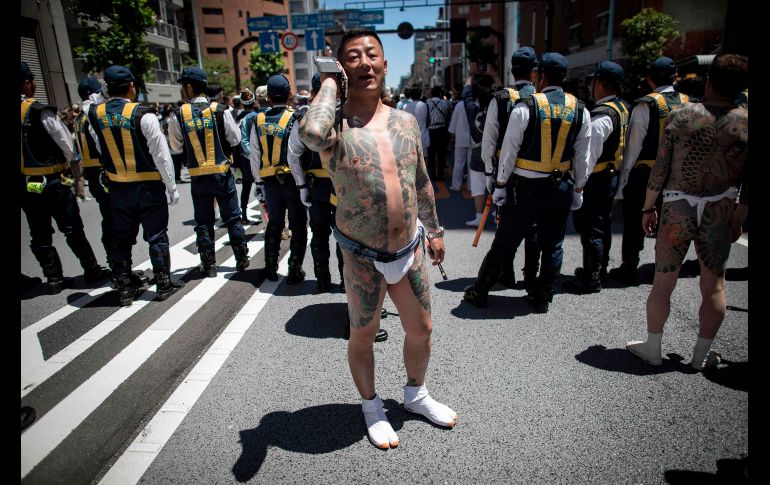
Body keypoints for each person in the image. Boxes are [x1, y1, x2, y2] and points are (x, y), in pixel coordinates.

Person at [299, 28, 456, 450]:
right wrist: (330, 84)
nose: (365, 62)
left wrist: (435, 230)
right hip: (361, 256)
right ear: (342, 68)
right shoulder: (333, 125)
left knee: (421, 329)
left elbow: (420, 180)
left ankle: (415, 394)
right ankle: (371, 406)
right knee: (363, 334)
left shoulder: (406, 121)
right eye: (353, 57)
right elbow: (311, 135)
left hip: (409, 248)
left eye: (372, 54)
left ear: (385, 64)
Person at [626, 54, 748, 371]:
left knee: (663, 282)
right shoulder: (745, 122)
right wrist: (739, 217)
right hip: (720, 207)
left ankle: (653, 348)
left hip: (678, 206)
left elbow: (661, 169)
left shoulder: (682, 116)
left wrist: (648, 207)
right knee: (714, 286)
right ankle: (700, 356)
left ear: (709, 81)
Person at [464, 53, 591, 312]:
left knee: (505, 241)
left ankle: (481, 290)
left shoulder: (526, 107)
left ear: (541, 75)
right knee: (553, 244)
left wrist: (499, 184)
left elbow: (509, 152)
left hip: (525, 188)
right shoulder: (580, 110)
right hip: (561, 186)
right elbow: (583, 156)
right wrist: (579, 188)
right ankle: (542, 296)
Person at [87, 65, 184, 305]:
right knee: (156, 236)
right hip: (148, 186)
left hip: (118, 187)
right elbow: (161, 155)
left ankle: (125, 288)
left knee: (121, 238)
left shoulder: (95, 114)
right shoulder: (144, 114)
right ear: (131, 86)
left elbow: (99, 146)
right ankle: (163, 284)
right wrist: (171, 187)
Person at [20, 62, 110, 294]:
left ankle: (54, 278)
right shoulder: (39, 111)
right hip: (51, 180)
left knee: (39, 233)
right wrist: (67, 165)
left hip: (25, 185)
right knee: (72, 228)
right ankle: (91, 269)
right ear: (27, 83)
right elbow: (67, 144)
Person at [611, 57, 690, 285]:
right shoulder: (690, 103)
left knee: (636, 220)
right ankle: (663, 267)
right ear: (676, 78)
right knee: (671, 221)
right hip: (680, 173)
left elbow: (633, 146)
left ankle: (629, 266)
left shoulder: (646, 105)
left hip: (646, 173)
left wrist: (623, 181)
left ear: (649, 79)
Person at [167, 66, 249, 277]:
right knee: (233, 218)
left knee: (204, 222)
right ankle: (241, 259)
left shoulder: (179, 114)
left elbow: (175, 147)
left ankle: (208, 264)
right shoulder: (220, 110)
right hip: (222, 174)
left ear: (188, 87)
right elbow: (235, 139)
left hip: (198, 177)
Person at [74, 76, 149, 290]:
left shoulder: (80, 118)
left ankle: (120, 270)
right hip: (105, 173)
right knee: (117, 226)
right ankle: (120, 273)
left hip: (93, 174)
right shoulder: (95, 115)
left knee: (111, 222)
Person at [563, 61, 630, 294]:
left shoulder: (602, 116)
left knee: (591, 228)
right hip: (610, 175)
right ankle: (598, 269)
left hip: (596, 178)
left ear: (598, 83)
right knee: (602, 224)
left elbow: (587, 157)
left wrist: (578, 186)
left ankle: (592, 277)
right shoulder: (621, 107)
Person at [481, 46, 541, 291]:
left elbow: (489, 139)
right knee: (534, 226)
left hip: (504, 172)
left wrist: (489, 172)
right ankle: (531, 275)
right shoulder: (542, 98)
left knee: (505, 224)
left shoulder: (501, 98)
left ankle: (507, 272)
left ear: (511, 70)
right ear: (534, 72)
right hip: (538, 172)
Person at [249, 74, 308, 283]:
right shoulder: (296, 117)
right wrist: (303, 185)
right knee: (298, 225)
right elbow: (298, 152)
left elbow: (254, 155)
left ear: (269, 97)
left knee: (274, 224)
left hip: (269, 182)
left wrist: (258, 182)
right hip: (293, 180)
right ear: (289, 94)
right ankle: (294, 269)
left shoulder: (258, 119)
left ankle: (270, 267)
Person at [461, 69, 495, 227]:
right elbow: (505, 91)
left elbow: (466, 94)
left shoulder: (472, 110)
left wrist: (470, 75)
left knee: (478, 186)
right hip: (495, 153)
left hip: (477, 152)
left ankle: (479, 217)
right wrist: (494, 74)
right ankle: (497, 213)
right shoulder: (498, 111)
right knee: (497, 185)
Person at [426, 86, 451, 181]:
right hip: (442, 129)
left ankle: (432, 175)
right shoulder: (445, 103)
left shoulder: (427, 103)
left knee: (431, 154)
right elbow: (448, 116)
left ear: (431, 94)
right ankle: (440, 175)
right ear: (440, 93)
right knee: (441, 153)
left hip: (430, 130)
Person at [447, 90, 471, 192]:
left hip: (460, 138)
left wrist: (452, 135)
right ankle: (471, 186)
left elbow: (453, 123)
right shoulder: (476, 104)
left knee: (458, 162)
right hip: (473, 139)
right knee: (471, 163)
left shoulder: (459, 105)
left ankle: (456, 185)